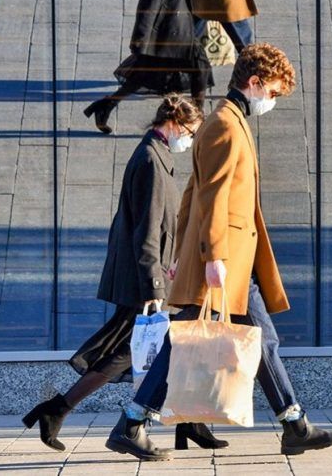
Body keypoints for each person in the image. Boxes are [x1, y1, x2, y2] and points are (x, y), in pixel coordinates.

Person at [105, 44, 332, 461]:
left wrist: (185, 252)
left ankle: (293, 425)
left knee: (250, 341)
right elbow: (211, 195)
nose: (271, 101)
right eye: (271, 92)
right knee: (204, 345)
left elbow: (190, 196)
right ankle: (133, 422)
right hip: (223, 262)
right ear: (253, 83)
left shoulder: (227, 121)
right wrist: (211, 256)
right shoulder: (225, 125)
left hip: (230, 261)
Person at [23, 94, 225, 454]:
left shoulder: (155, 154)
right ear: (175, 123)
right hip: (142, 278)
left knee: (154, 349)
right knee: (129, 354)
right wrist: (155, 282)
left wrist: (167, 265)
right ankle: (69, 412)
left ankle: (184, 421)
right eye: (191, 132)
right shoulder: (150, 159)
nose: (190, 141)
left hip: (149, 272)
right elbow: (146, 229)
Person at [84, 0, 213, 134]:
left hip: (177, 27)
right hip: (169, 31)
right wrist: (141, 36)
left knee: (148, 74)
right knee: (197, 66)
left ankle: (106, 106)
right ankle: (198, 120)